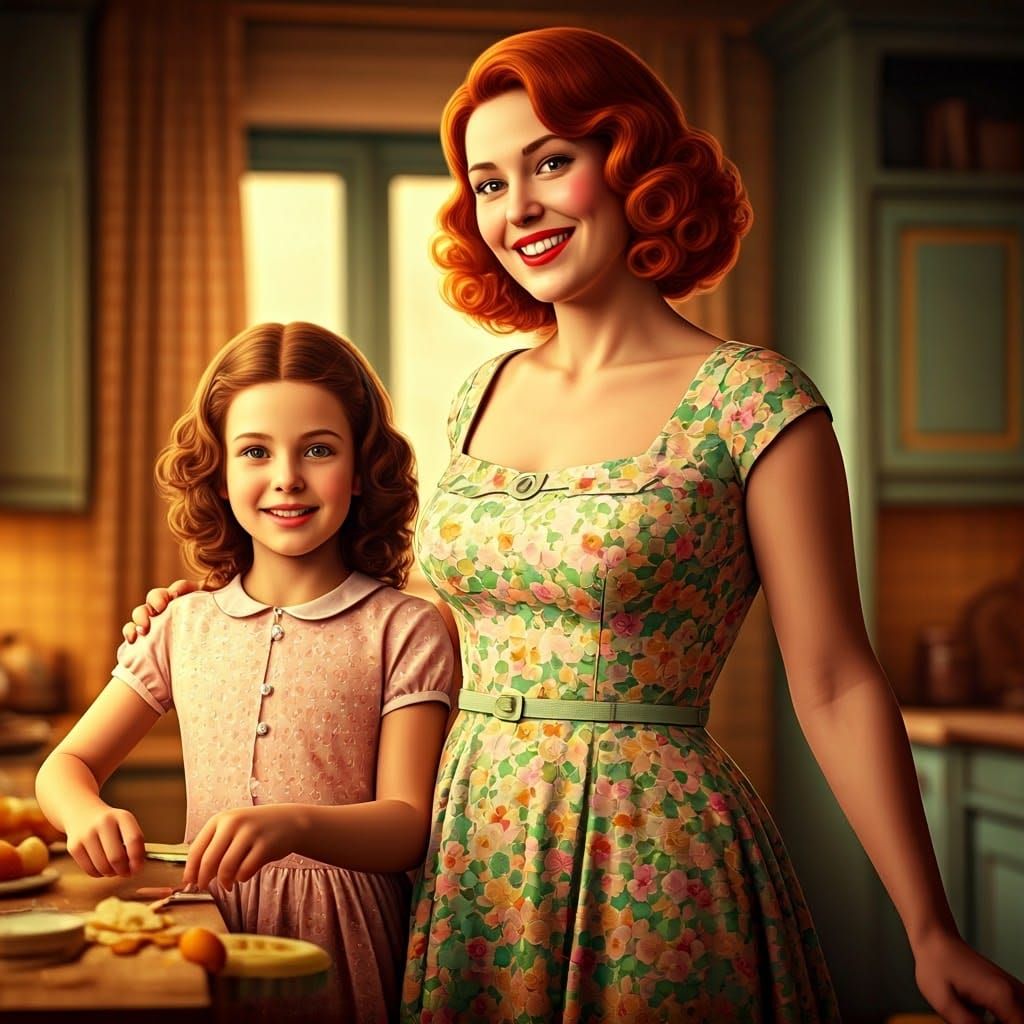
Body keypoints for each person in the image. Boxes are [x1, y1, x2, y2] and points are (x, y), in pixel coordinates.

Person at [122, 27, 1024, 1024]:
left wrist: (928, 925)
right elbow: (422, 625)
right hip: (469, 861)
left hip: (652, 863)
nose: (519, 209)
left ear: (631, 164)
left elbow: (834, 679)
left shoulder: (752, 400)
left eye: (551, 161)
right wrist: (225, 611)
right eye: (490, 183)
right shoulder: (479, 392)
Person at [36, 322, 455, 1022]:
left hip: (343, 939)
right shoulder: (180, 624)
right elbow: (67, 763)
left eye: (318, 449)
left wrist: (295, 826)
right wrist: (87, 813)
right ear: (220, 475)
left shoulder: (404, 628)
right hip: (203, 925)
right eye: (255, 451)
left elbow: (408, 825)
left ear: (360, 472)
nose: (287, 476)